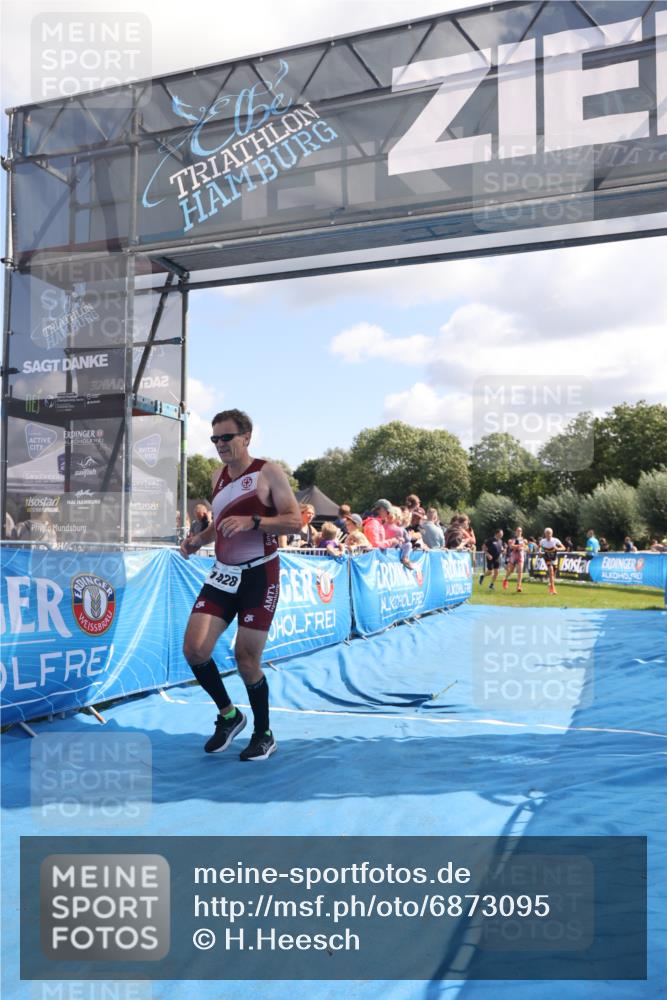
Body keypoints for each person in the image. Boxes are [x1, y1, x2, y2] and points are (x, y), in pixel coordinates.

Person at [180, 409, 300, 761]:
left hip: (259, 575)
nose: (219, 444)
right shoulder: (218, 475)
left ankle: (264, 733)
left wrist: (256, 521)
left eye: (226, 437)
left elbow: (294, 522)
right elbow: (222, 524)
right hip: (223, 574)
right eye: (214, 439)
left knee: (246, 658)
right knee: (195, 649)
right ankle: (230, 715)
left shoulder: (268, 472)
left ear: (246, 436)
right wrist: (197, 540)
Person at [539, 527, 565, 595]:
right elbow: (539, 548)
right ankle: (553, 588)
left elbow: (563, 548)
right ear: (545, 534)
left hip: (554, 557)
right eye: (547, 533)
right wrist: (540, 553)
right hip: (547, 557)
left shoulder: (555, 540)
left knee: (554, 572)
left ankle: (550, 584)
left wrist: (558, 549)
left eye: (549, 533)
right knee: (550, 570)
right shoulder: (542, 541)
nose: (548, 535)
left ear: (552, 534)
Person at [502, 526, 527, 593]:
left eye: (520, 531)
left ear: (522, 532)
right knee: (511, 570)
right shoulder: (512, 539)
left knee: (520, 571)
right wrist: (518, 546)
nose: (519, 532)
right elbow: (511, 546)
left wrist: (524, 547)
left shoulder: (524, 540)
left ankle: (519, 586)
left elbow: (525, 547)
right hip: (513, 556)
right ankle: (505, 579)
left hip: (520, 556)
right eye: (518, 531)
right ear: (515, 531)